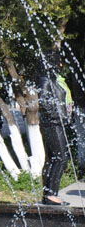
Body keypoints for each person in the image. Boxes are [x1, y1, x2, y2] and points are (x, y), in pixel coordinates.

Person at [36, 48, 71, 205]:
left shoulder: (52, 78)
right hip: (52, 123)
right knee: (61, 158)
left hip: (56, 122)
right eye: (58, 61)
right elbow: (43, 101)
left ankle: (48, 194)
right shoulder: (44, 79)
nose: (61, 63)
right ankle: (51, 194)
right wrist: (57, 116)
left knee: (52, 158)